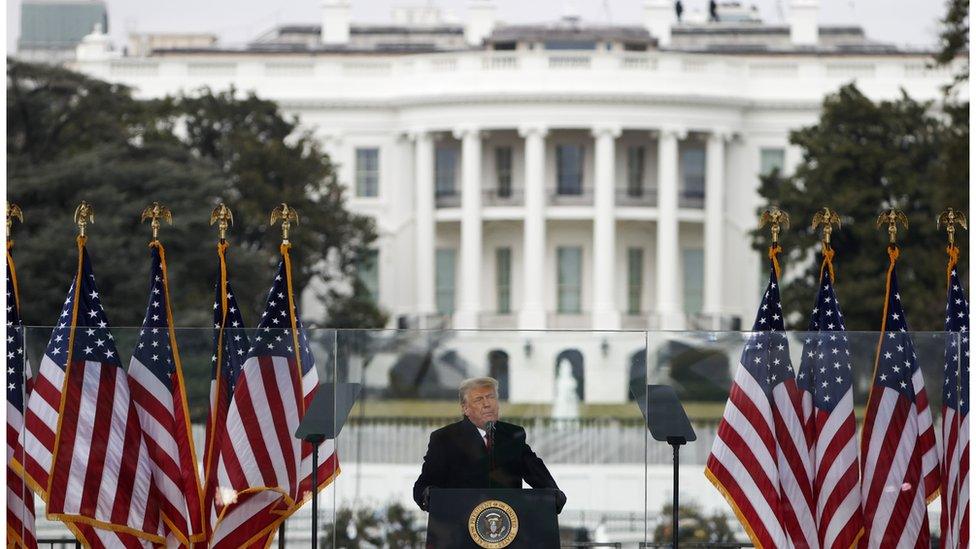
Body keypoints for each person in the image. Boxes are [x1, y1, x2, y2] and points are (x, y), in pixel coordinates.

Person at [412, 377, 567, 513]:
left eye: (491, 397)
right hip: (460, 527)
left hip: (507, 528)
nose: (487, 404)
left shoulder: (513, 435)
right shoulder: (445, 438)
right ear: (465, 408)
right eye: (479, 399)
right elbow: (423, 485)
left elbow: (535, 470)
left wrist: (553, 493)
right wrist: (428, 494)